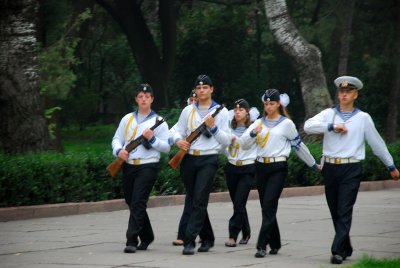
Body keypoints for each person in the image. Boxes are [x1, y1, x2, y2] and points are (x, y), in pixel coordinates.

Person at [304, 76, 399, 264]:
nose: (344, 94)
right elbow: (308, 126)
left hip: (351, 168)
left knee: (344, 208)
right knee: (334, 210)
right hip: (330, 167)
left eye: (348, 92)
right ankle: (345, 247)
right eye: (341, 91)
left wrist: (391, 166)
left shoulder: (363, 118)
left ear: (355, 94)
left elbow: (377, 144)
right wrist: (331, 127)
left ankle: (337, 251)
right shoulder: (329, 114)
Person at [241, 89, 320, 258]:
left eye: (272, 104)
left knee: (269, 204)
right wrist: (253, 133)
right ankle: (275, 243)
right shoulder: (258, 123)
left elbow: (299, 146)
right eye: (266, 104)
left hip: (278, 168)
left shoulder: (286, 124)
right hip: (261, 167)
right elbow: (244, 144)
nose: (268, 107)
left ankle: (261, 245)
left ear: (278, 104)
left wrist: (313, 164)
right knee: (266, 207)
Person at [172, 74, 231, 255]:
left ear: (211, 89)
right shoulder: (188, 111)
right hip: (189, 158)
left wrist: (213, 128)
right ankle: (207, 237)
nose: (202, 91)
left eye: (205, 87)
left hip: (208, 159)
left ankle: (189, 240)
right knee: (195, 198)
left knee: (199, 198)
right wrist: (178, 141)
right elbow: (176, 130)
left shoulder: (221, 112)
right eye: (198, 88)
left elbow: (227, 140)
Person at [111, 83, 170, 253]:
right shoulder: (127, 119)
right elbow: (117, 139)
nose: (143, 99)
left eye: (147, 96)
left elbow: (166, 147)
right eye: (140, 96)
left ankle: (131, 240)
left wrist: (152, 140)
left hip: (148, 166)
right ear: (136, 99)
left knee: (138, 201)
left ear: (152, 99)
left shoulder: (159, 122)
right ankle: (147, 236)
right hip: (129, 165)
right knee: (131, 201)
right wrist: (118, 151)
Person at [224, 99, 259, 247]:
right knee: (238, 203)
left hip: (247, 168)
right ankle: (246, 231)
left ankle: (233, 235)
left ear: (247, 113)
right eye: (236, 109)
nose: (238, 112)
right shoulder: (228, 128)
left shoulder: (253, 129)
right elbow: (223, 147)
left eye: (241, 110)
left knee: (239, 202)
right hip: (232, 167)